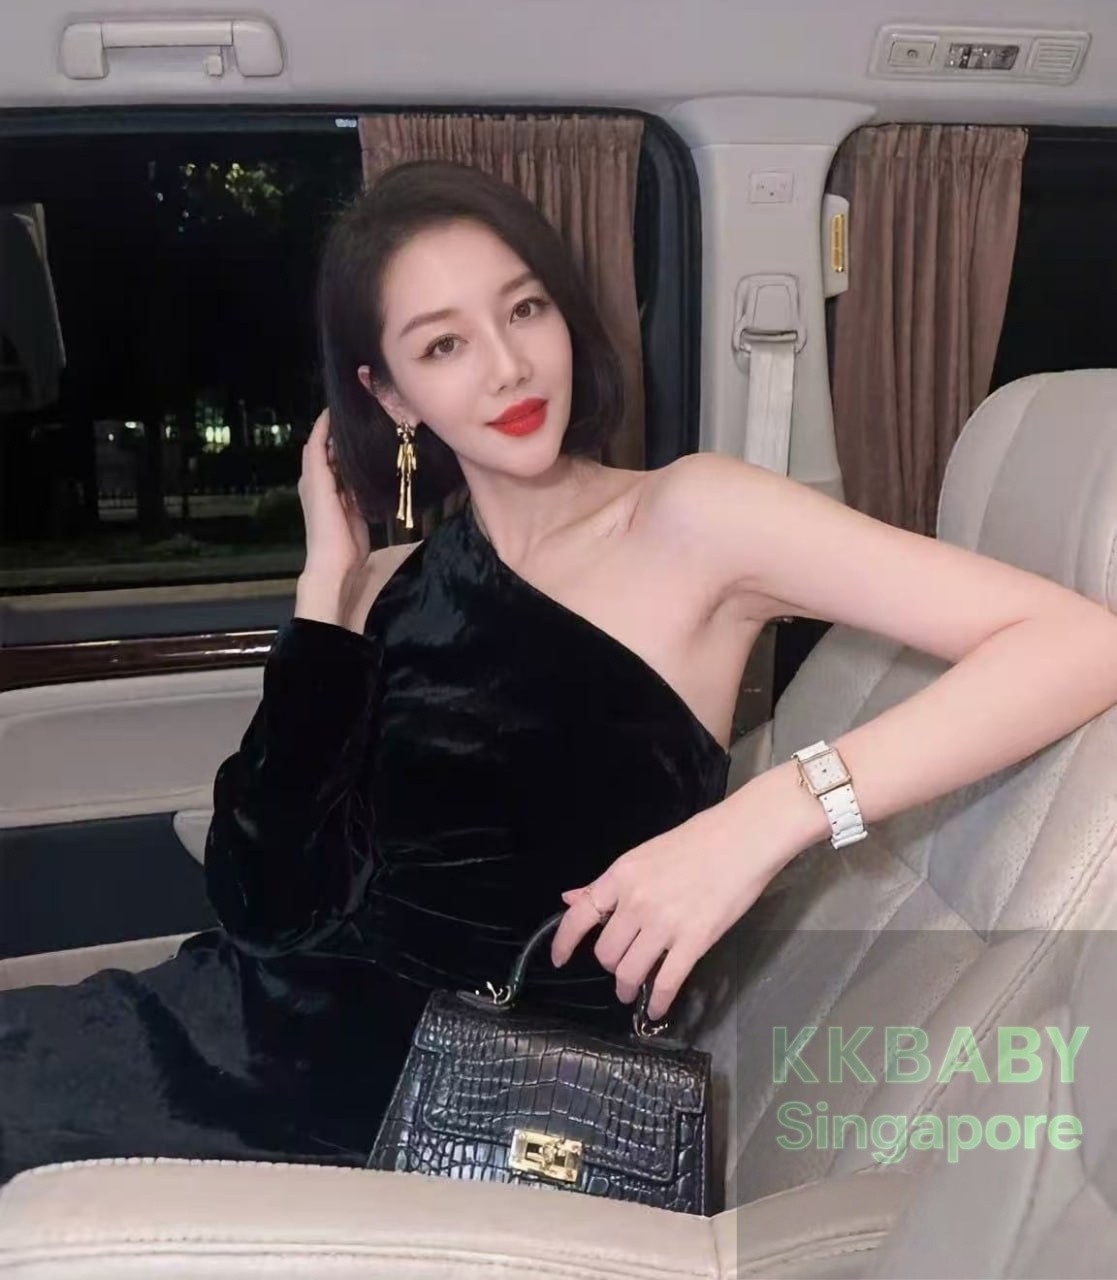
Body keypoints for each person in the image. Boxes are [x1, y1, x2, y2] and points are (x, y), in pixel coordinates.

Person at [2, 160, 1117, 1186]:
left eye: (524, 309)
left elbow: (1079, 643)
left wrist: (766, 815)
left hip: (436, 1102)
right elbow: (262, 904)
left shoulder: (692, 518)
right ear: (392, 398)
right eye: (444, 345)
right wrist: (322, 590)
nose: (507, 366)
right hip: (234, 1029)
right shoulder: (387, 580)